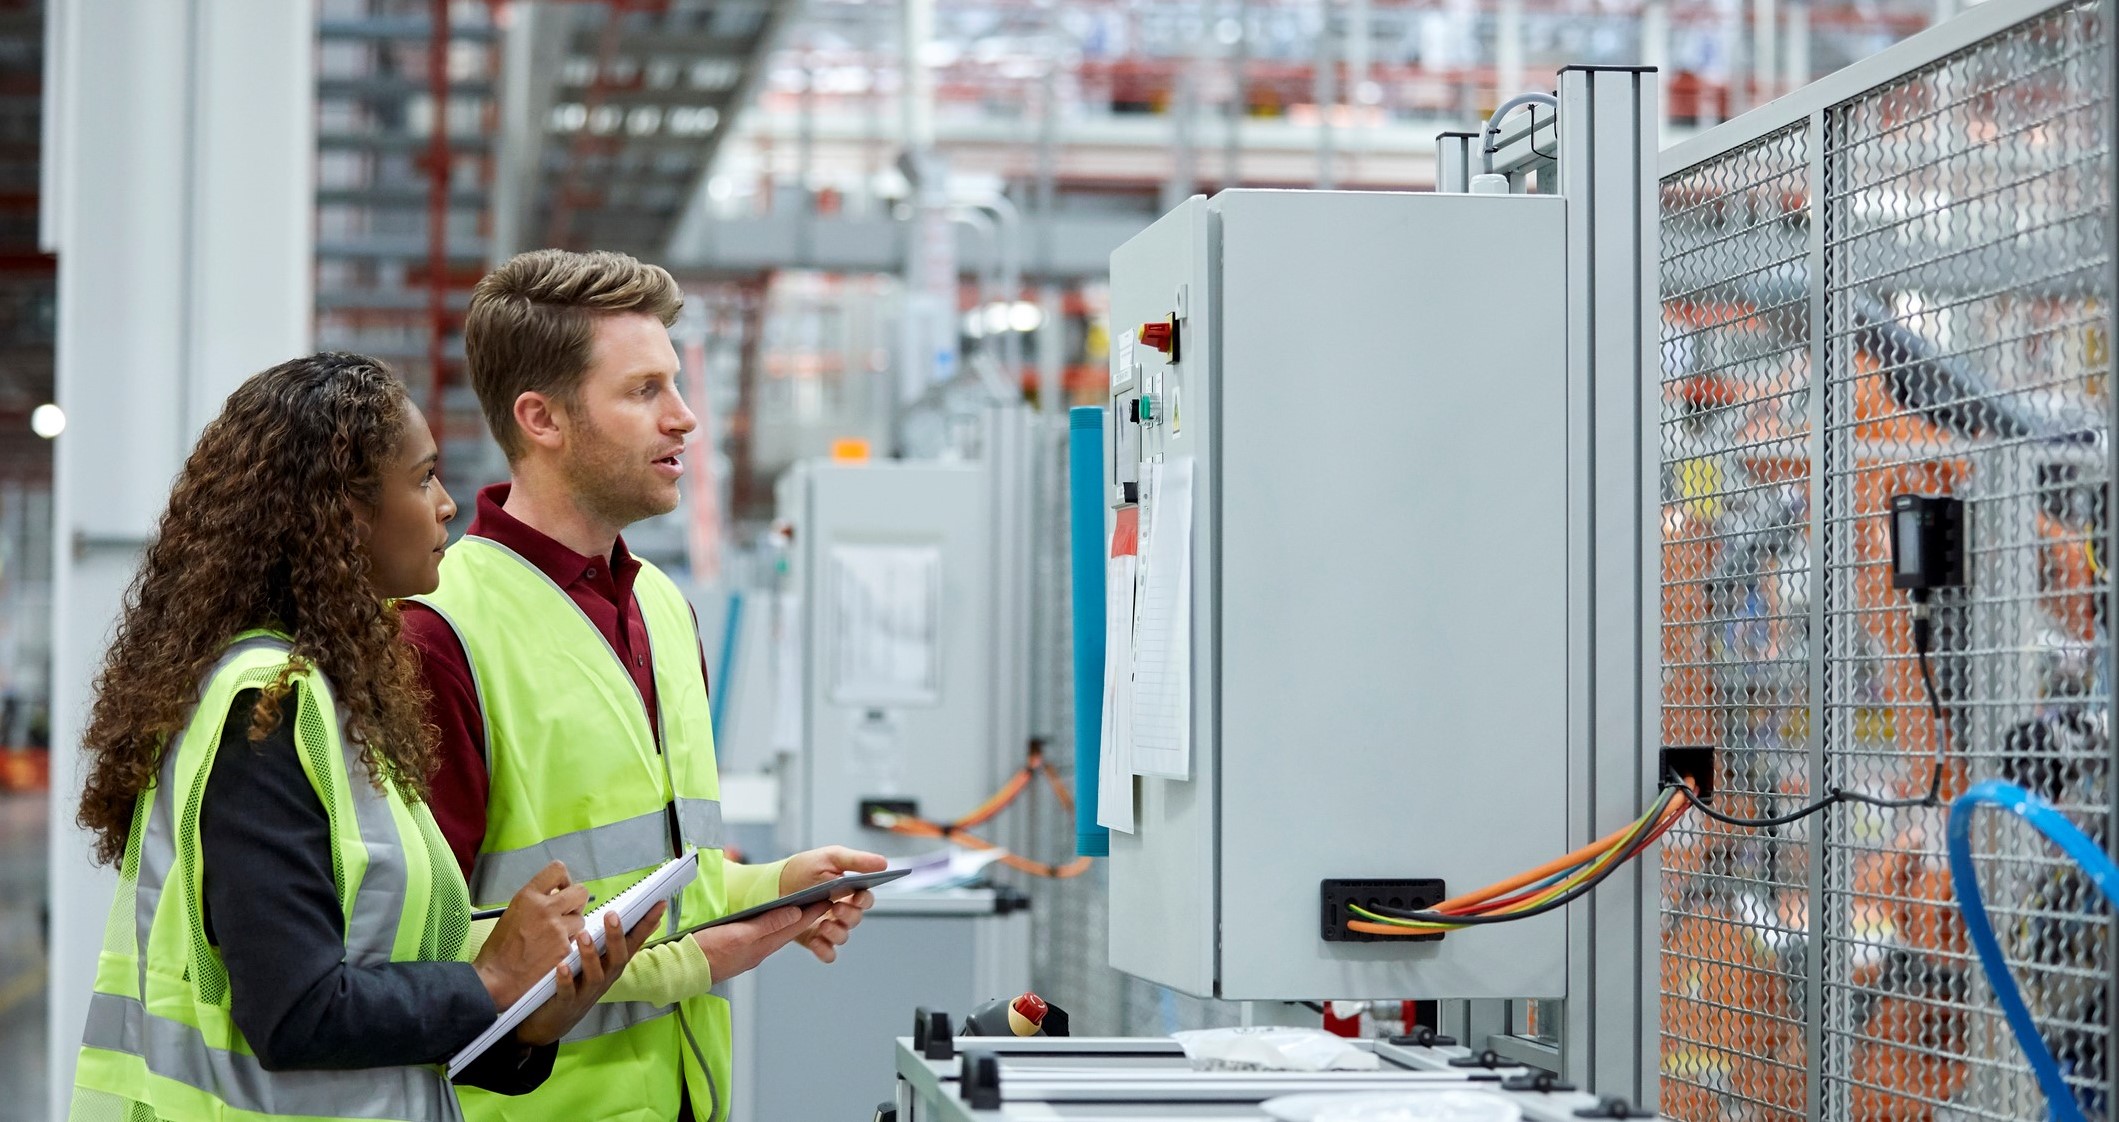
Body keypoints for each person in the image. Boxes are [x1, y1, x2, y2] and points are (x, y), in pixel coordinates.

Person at [69, 354, 661, 1122]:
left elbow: (383, 996)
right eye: (421, 479)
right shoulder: (266, 711)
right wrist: (490, 981)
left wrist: (526, 1020)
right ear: (340, 514)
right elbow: (294, 1012)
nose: (447, 504)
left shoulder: (342, 703)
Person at [402, 250, 887, 1122]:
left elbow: (664, 882)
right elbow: (426, 950)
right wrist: (713, 957)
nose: (685, 418)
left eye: (675, 385)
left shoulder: (661, 607)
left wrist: (771, 891)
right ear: (541, 419)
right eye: (644, 392)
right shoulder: (440, 630)